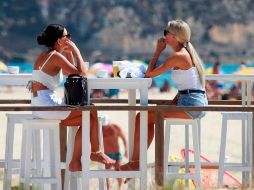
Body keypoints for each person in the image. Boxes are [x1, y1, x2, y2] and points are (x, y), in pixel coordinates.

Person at [117, 19, 208, 179]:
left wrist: (158, 51)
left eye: (165, 32)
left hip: (191, 105)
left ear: (173, 36)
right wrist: (171, 102)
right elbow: (187, 86)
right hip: (193, 102)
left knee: (142, 116)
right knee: (147, 116)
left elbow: (149, 74)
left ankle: (136, 162)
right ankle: (136, 162)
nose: (163, 35)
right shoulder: (186, 54)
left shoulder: (178, 56)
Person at [28, 24, 115, 172]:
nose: (69, 39)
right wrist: (76, 50)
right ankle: (95, 153)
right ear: (58, 40)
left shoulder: (48, 55)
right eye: (66, 37)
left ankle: (79, 160)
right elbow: (82, 73)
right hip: (46, 105)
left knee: (89, 117)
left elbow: (71, 73)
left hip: (41, 103)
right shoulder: (54, 56)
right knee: (91, 110)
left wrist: (69, 52)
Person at [101, 115, 127, 189]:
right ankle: (108, 188)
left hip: (116, 154)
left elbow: (124, 138)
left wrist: (126, 150)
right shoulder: (100, 130)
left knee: (118, 171)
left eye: (106, 125)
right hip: (106, 155)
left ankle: (120, 188)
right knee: (106, 173)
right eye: (103, 125)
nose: (105, 127)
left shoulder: (115, 128)